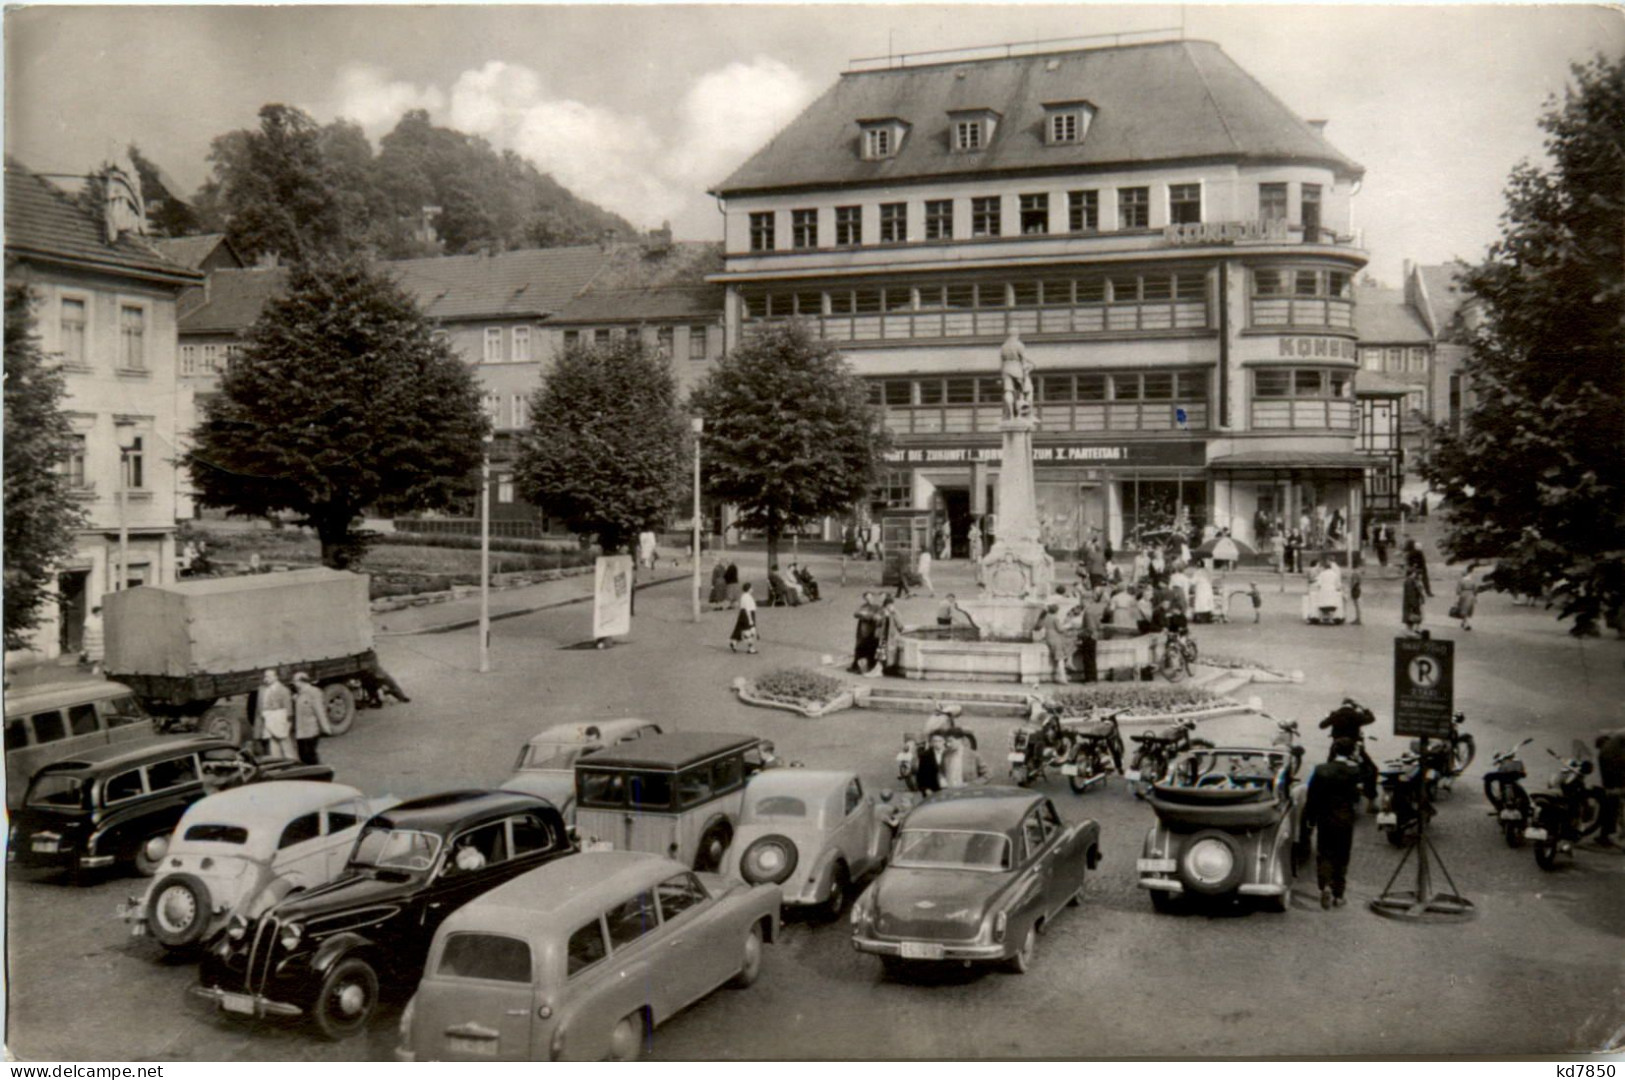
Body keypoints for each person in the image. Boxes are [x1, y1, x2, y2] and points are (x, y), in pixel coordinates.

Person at [1299, 737, 1366, 909]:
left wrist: (1310, 820)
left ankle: (1325, 886)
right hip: (1345, 819)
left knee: (1325, 852)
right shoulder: (1355, 771)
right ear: (1351, 752)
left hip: (1325, 818)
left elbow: (1312, 797)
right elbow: (1357, 796)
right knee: (1342, 855)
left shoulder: (1321, 770)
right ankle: (1339, 893)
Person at [1319, 698, 1378, 807]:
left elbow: (1322, 725)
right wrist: (1364, 708)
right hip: (1353, 748)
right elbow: (1371, 718)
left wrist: (1328, 717)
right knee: (1372, 770)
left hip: (1336, 748)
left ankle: (1324, 797)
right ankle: (1371, 801)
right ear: (1353, 706)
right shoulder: (1356, 715)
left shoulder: (1335, 714)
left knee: (1326, 769)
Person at [1593, 727, 1625, 848]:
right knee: (1615, 799)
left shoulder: (1611, 741)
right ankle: (1610, 835)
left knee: (1611, 798)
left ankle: (1606, 834)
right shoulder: (1615, 742)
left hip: (1608, 760)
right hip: (1614, 760)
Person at [256, 669, 295, 761]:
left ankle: (292, 763)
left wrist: (288, 724)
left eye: (269, 676)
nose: (266, 679)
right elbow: (259, 708)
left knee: (285, 743)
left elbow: (288, 709)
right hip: (267, 720)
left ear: (276, 677)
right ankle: (277, 763)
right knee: (273, 744)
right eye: (265, 676)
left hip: (279, 720)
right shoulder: (262, 689)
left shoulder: (283, 690)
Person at [290, 672, 328, 766]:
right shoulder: (298, 695)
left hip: (311, 731)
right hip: (301, 732)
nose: (293, 683)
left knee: (310, 756)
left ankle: (320, 774)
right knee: (302, 756)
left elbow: (319, 711)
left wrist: (325, 728)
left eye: (295, 681)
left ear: (302, 681)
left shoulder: (313, 692)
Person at [1037, 602, 1072, 683]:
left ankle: (1059, 676)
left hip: (1048, 637)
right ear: (1056, 611)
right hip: (1056, 638)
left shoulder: (1046, 617)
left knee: (1058, 658)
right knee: (1060, 659)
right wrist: (1068, 626)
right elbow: (1060, 629)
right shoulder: (1055, 618)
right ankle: (1062, 678)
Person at [1076, 587, 1104, 684]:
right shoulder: (1095, 609)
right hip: (1094, 635)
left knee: (1088, 658)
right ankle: (1093, 678)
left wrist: (1078, 634)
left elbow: (1089, 628)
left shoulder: (1088, 612)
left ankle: (1089, 679)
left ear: (1086, 600)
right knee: (1092, 658)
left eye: (1082, 600)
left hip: (1089, 636)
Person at [849, 592, 880, 674]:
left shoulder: (877, 607)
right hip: (862, 632)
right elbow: (856, 614)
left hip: (872, 632)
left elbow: (876, 617)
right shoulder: (863, 606)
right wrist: (868, 615)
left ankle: (867, 667)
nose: (869, 599)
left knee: (869, 650)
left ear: (873, 597)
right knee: (859, 649)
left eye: (870, 597)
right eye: (867, 598)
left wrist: (865, 615)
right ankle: (856, 666)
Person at [876, 595, 906, 676]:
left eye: (891, 605)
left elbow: (900, 626)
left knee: (891, 653)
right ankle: (884, 669)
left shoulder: (895, 612)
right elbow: (877, 623)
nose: (890, 606)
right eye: (888, 605)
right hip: (883, 636)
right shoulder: (882, 612)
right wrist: (883, 616)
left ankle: (890, 669)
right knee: (882, 653)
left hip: (892, 637)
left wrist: (892, 614)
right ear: (885, 605)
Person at [730, 583, 759, 653]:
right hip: (747, 614)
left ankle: (734, 642)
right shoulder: (747, 597)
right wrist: (750, 620)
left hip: (743, 614)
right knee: (749, 631)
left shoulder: (744, 596)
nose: (752, 589)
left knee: (740, 629)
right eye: (751, 588)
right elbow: (747, 609)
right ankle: (751, 648)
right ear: (748, 589)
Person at [915, 731, 947, 796]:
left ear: (944, 741)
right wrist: (926, 789)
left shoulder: (949, 753)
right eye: (935, 741)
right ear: (931, 742)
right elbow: (921, 775)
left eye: (940, 741)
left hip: (948, 789)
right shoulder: (925, 755)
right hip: (932, 790)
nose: (937, 743)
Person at [1453, 563, 1480, 631]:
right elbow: (1476, 590)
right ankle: (1464, 622)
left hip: (1463, 595)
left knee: (1463, 610)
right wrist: (1475, 597)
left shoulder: (1461, 581)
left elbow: (1458, 591)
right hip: (1471, 595)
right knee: (1468, 610)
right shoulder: (1472, 580)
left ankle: (1466, 624)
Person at [81, 605, 105, 672]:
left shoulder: (102, 618)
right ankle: (93, 665)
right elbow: (86, 628)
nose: (100, 613)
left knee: (100, 653)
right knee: (92, 653)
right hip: (91, 637)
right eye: (99, 612)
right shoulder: (89, 618)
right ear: (95, 612)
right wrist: (84, 637)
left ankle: (96, 666)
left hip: (99, 636)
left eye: (101, 612)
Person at [1403, 565, 1426, 635]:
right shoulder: (1409, 581)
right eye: (1414, 573)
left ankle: (1411, 630)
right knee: (1411, 617)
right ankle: (1409, 631)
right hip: (1411, 603)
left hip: (1410, 603)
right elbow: (1411, 594)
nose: (1415, 574)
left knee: (1412, 617)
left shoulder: (1410, 581)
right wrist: (1414, 604)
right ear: (1411, 573)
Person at [1348, 561, 1364, 626]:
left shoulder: (1354, 573)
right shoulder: (1359, 573)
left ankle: (1358, 619)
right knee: (1358, 605)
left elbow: (1354, 582)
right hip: (1358, 589)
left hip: (1355, 589)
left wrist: (1351, 588)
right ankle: (1358, 618)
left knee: (1357, 605)